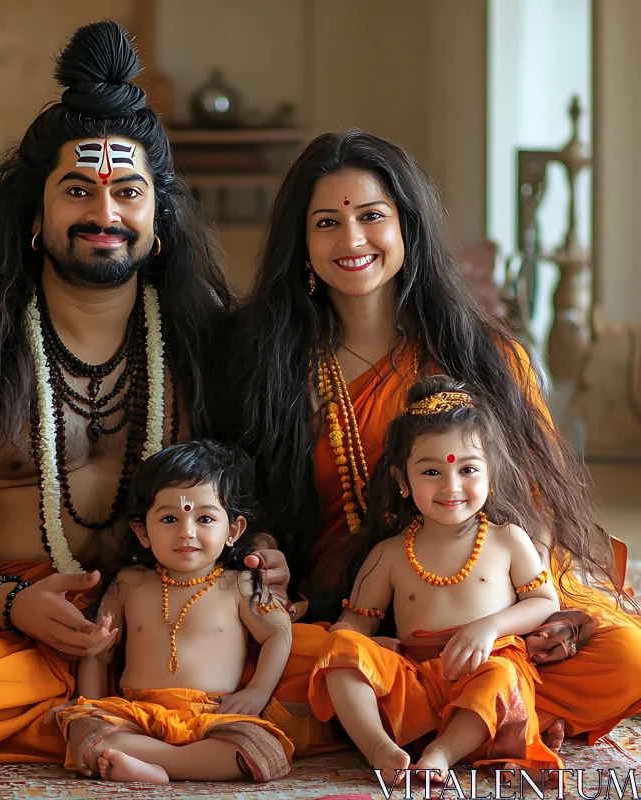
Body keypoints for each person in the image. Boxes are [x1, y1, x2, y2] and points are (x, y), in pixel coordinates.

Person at [0, 20, 287, 766]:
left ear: (160, 219)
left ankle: (83, 720)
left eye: (128, 194)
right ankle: (117, 726)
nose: (105, 215)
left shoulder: (208, 344)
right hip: (4, 619)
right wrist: (11, 603)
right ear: (34, 215)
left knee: (339, 661)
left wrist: (263, 553)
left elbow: (249, 496)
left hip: (176, 623)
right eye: (78, 190)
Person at [224, 128, 640, 756]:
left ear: (408, 229)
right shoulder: (269, 365)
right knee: (264, 651)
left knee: (624, 654)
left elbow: (537, 507)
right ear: (301, 244)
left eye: (371, 217)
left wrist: (546, 609)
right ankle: (483, 715)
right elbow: (236, 494)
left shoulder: (487, 356)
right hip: (348, 608)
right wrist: (259, 549)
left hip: (484, 612)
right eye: (327, 222)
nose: (353, 240)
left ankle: (410, 712)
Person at [309, 377, 563, 782]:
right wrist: (368, 643)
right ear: (402, 480)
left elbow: (546, 602)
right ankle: (380, 747)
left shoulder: (507, 539)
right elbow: (354, 623)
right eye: (431, 472)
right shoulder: (389, 554)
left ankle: (442, 753)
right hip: (414, 686)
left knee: (504, 674)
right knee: (337, 647)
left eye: (468, 469)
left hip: (484, 672)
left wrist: (489, 627)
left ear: (491, 475)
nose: (451, 486)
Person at [55, 440, 293, 783]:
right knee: (85, 733)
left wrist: (257, 691)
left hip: (213, 714)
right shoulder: (129, 584)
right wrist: (91, 705)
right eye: (169, 518)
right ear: (142, 532)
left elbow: (278, 631)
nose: (186, 531)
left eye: (205, 518)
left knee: (257, 749)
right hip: (135, 714)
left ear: (233, 531)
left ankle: (156, 766)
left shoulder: (238, 586)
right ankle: (167, 763)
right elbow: (97, 650)